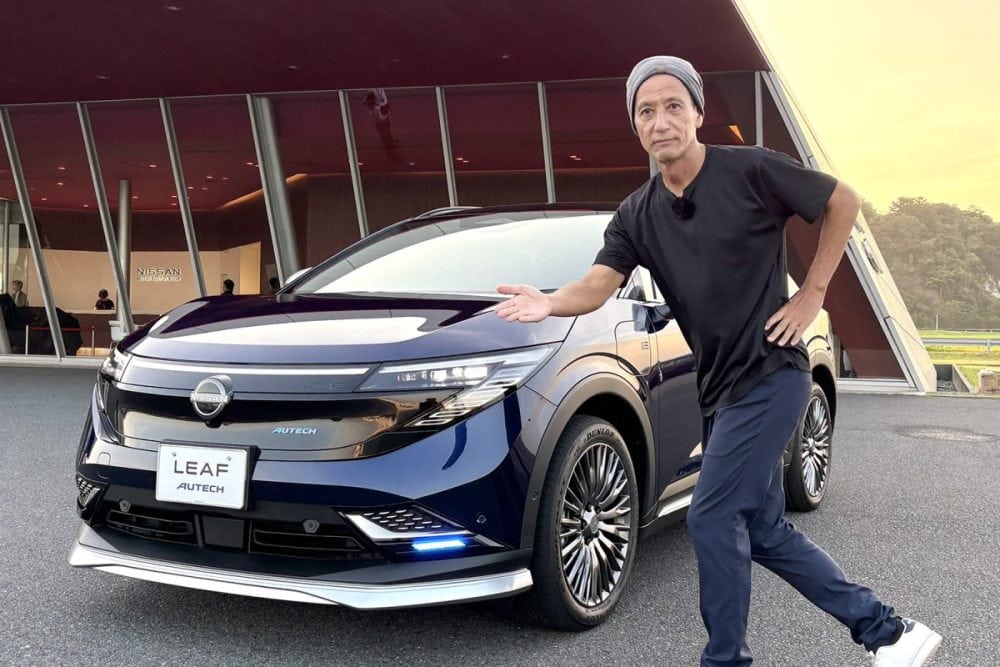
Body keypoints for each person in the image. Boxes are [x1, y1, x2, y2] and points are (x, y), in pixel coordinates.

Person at [495, 56, 941, 667]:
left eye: (672, 106)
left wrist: (813, 292)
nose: (660, 121)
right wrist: (548, 302)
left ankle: (726, 660)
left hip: (772, 373)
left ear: (697, 113)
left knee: (710, 515)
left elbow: (843, 200)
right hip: (720, 391)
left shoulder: (751, 169)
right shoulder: (637, 214)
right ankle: (890, 633)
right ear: (635, 125)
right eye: (645, 111)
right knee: (763, 530)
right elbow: (596, 285)